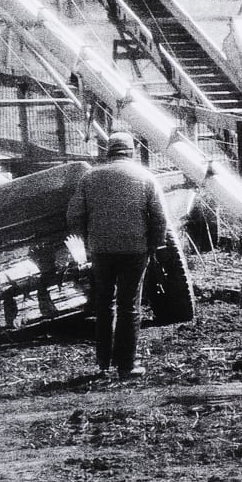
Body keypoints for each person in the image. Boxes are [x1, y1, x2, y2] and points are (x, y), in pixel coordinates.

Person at [66, 131, 169, 380]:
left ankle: (103, 364)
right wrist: (154, 245)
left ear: (108, 151)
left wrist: (85, 243)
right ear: (131, 152)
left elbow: (74, 214)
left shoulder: (90, 177)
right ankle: (126, 365)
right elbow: (160, 218)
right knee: (129, 306)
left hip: (101, 250)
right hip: (135, 250)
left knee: (104, 304)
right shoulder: (145, 177)